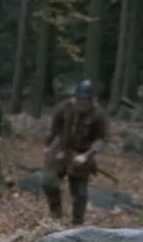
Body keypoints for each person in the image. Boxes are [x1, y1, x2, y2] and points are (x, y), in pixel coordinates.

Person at [43, 79, 108, 225]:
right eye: (79, 100)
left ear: (90, 100)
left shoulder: (98, 114)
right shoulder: (64, 107)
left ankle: (77, 224)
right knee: (49, 182)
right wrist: (47, 145)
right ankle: (56, 215)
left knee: (80, 193)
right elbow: (53, 127)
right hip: (62, 148)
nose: (81, 103)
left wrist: (87, 155)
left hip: (82, 153)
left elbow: (101, 139)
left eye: (85, 101)